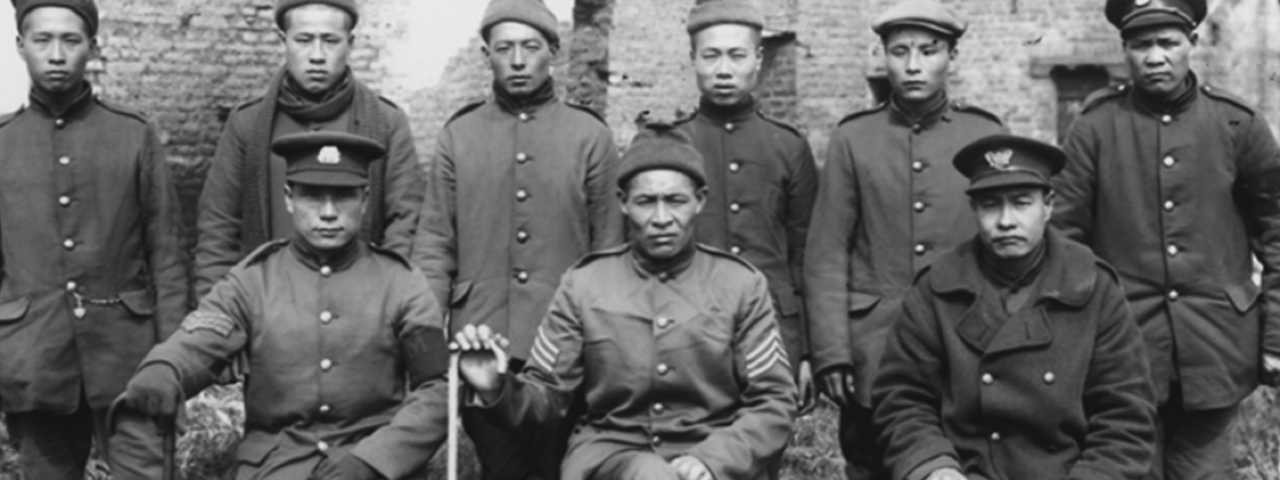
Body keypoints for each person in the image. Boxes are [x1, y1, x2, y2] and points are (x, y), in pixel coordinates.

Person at [453, 123, 796, 480]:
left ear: (700, 200)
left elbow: (773, 400)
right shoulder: (584, 283)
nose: (661, 218)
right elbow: (546, 396)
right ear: (624, 203)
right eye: (646, 201)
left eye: (675, 200)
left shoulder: (741, 284)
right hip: (611, 456)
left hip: (714, 456)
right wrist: (497, 384)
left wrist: (714, 460)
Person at [118, 132, 450, 480]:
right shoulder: (254, 280)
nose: (328, 213)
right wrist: (165, 369)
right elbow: (200, 340)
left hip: (374, 467)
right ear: (289, 198)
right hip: (277, 467)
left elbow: (438, 388)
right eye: (311, 197)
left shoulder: (401, 281)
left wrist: (373, 460)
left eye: (343, 197)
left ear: (365, 200)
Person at [1052, 0, 1280, 477]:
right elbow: (1065, 241)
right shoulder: (1094, 126)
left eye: (1168, 43)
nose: (1154, 56)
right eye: (1140, 45)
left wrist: (1276, 336)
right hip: (1124, 349)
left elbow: (1277, 233)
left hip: (1218, 347)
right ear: (1124, 51)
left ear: (1192, 45)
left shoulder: (1236, 123)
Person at [411, 0, 623, 478]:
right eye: (504, 48)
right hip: (482, 338)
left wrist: (605, 345)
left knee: (557, 465)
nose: (519, 59)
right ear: (487, 56)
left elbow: (609, 251)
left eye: (531, 47)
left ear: (554, 52)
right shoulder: (459, 136)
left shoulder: (589, 137)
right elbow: (435, 244)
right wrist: (427, 347)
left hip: (566, 344)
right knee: (501, 466)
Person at [874, 134, 1157, 480]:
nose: (1006, 221)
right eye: (991, 205)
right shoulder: (936, 288)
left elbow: (1125, 416)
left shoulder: (1094, 287)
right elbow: (902, 399)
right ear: (974, 210)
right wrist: (935, 468)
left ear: (1048, 205)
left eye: (1022, 203)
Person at [802, 2, 1006, 478]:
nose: (913, 65)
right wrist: (833, 350)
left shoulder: (985, 135)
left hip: (963, 345)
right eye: (899, 52)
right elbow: (828, 251)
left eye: (928, 51)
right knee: (870, 465)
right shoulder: (854, 139)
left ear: (952, 55)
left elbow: (1001, 248)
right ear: (884, 57)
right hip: (875, 349)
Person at [0, 0, 188, 478]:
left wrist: (171, 363)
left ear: (94, 47)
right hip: (35, 362)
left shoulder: (132, 134)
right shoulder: (3, 142)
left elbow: (166, 258)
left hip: (131, 361)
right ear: (20, 47)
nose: (57, 54)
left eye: (71, 40)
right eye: (42, 40)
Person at [195, 0, 424, 301]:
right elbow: (218, 230)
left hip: (360, 306)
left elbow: (405, 224)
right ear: (283, 41)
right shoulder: (247, 125)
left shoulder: (386, 122)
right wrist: (219, 317)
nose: (317, 55)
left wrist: (386, 303)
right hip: (268, 306)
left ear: (350, 43)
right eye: (304, 40)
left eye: (330, 41)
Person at [674, 0, 818, 413]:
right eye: (711, 55)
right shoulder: (672, 143)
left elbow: (805, 255)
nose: (723, 69)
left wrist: (807, 352)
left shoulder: (788, 147)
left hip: (771, 331)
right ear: (693, 59)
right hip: (685, 330)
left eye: (736, 55)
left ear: (758, 58)